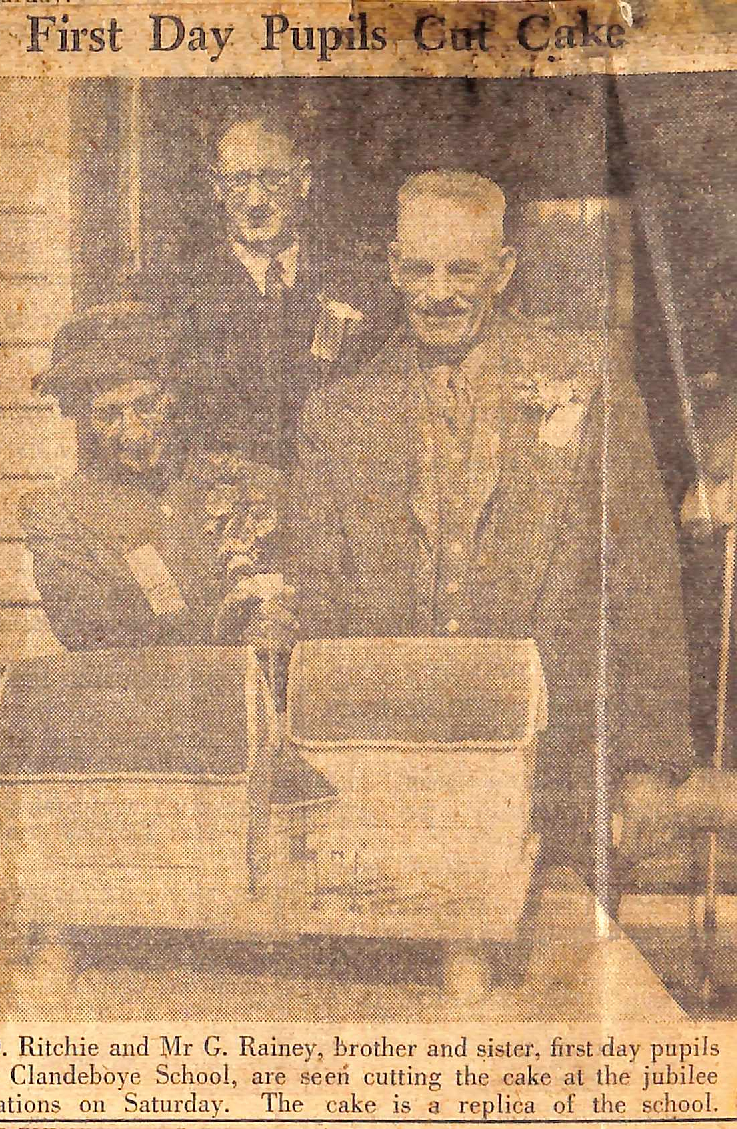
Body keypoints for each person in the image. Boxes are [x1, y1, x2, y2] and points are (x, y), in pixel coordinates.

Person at [292, 170, 695, 864]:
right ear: (392, 266)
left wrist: (650, 762)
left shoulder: (588, 380)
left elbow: (644, 583)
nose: (439, 292)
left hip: (559, 778)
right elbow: (321, 608)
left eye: (462, 269)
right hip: (393, 779)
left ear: (503, 270)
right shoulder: (337, 416)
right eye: (418, 269)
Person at [19, 310, 294, 652]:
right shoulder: (59, 515)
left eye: (145, 406)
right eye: (109, 415)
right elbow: (91, 632)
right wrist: (216, 634)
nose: (132, 432)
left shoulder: (254, 485)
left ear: (170, 399)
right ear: (84, 420)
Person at [174, 113, 397, 470]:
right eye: (237, 182)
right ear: (216, 187)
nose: (255, 200)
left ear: (303, 180)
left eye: (273, 179)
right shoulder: (183, 291)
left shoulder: (358, 284)